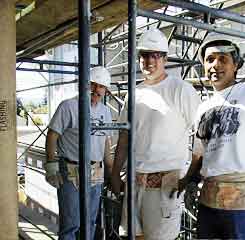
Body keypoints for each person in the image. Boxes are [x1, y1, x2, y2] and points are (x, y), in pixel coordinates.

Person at [176, 34, 245, 239]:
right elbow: (200, 155)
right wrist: (189, 181)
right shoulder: (203, 107)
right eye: (209, 59)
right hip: (209, 203)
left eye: (223, 59)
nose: (215, 65)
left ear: (236, 65)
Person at [111, 29, 201, 240]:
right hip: (134, 183)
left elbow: (202, 135)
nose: (149, 60)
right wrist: (115, 173)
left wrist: (191, 177)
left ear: (165, 58)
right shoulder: (134, 93)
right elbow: (124, 138)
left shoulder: (181, 90)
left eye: (156, 55)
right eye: (144, 55)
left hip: (165, 185)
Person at [44, 66, 113, 240]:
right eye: (93, 85)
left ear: (106, 90)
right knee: (71, 224)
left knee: (90, 222)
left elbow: (105, 144)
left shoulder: (105, 112)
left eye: (101, 87)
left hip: (96, 170)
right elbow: (52, 135)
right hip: (71, 168)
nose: (97, 90)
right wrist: (51, 165)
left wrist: (112, 174)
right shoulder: (69, 106)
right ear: (85, 84)